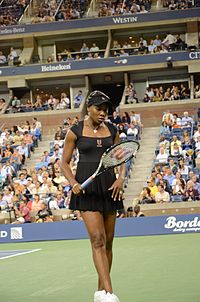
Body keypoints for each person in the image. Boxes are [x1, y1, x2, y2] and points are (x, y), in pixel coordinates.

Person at [61, 90, 124, 302]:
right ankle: (109, 292)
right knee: (97, 240)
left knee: (108, 243)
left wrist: (121, 178)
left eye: (106, 109)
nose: (103, 113)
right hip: (86, 190)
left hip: (109, 188)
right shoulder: (75, 131)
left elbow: (120, 157)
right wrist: (73, 183)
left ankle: (99, 293)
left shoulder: (112, 130)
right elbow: (64, 163)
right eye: (99, 108)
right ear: (88, 108)